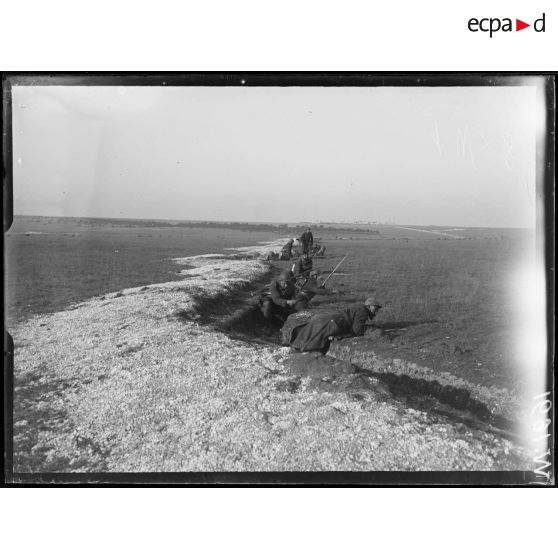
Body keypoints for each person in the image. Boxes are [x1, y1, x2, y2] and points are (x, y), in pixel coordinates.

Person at [289, 296, 382, 352]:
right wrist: (368, 328)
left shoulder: (358, 307)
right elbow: (357, 330)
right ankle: (303, 352)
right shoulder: (363, 312)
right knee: (315, 341)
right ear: (369, 306)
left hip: (324, 317)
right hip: (333, 323)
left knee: (307, 334)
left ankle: (295, 347)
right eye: (375, 308)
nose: (376, 310)